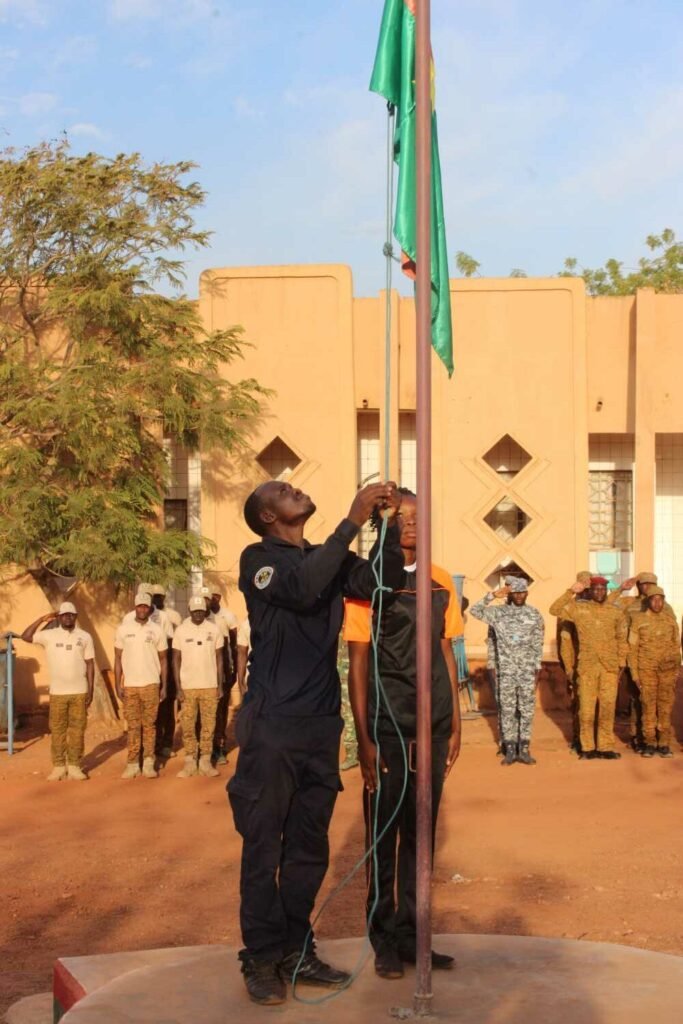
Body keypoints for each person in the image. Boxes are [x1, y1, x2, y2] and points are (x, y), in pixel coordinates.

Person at [228, 478, 404, 1006]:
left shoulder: (325, 558)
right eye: (284, 490)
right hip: (272, 725)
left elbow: (382, 581)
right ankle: (261, 956)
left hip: (319, 725)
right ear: (267, 516)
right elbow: (303, 589)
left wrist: (387, 529)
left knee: (308, 847)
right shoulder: (260, 560)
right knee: (264, 846)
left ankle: (295, 949)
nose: (297, 488)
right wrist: (351, 519)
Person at [344, 490, 462, 979]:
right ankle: (384, 938)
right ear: (387, 525)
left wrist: (455, 722)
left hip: (432, 730)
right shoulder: (369, 582)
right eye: (401, 517)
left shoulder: (440, 580)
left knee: (421, 833)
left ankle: (415, 935)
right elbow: (357, 662)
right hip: (387, 726)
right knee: (383, 836)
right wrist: (364, 740)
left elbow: (446, 650)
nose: (411, 523)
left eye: (418, 516)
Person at [550, 577, 628, 760]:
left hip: (609, 668)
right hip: (587, 667)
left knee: (607, 708)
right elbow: (554, 610)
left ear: (606, 590)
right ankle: (587, 747)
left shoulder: (616, 611)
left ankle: (605, 747)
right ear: (590, 591)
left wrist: (621, 663)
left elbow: (622, 639)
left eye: (603, 589)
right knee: (586, 710)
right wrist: (571, 591)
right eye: (596, 589)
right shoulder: (579, 609)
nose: (599, 592)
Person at [471, 577, 544, 766]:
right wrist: (492, 595)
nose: (519, 596)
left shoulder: (534, 614)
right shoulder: (498, 613)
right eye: (515, 593)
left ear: (527, 593)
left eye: (522, 592)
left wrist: (537, 669)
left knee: (526, 711)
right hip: (506, 672)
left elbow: (538, 644)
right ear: (510, 594)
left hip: (527, 671)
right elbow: (475, 610)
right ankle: (510, 750)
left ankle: (524, 749)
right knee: (507, 710)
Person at [21, 602, 95, 782]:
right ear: (59, 617)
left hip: (79, 691)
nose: (68, 617)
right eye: (64, 615)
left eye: (71, 614)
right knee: (58, 730)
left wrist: (90, 689)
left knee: (77, 729)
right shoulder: (49, 635)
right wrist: (42, 619)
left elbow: (90, 664)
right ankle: (59, 766)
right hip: (58, 693)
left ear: (75, 617)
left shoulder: (84, 636)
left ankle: (75, 766)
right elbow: (26, 636)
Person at [608, 572, 674, 751]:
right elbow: (607, 605)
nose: (647, 587)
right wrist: (620, 589)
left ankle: (656, 739)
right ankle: (637, 736)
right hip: (634, 657)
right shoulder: (629, 603)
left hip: (658, 663)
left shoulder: (665, 607)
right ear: (638, 586)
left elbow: (672, 637)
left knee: (656, 702)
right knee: (636, 699)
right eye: (643, 584)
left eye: (651, 583)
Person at [114, 590, 168, 779]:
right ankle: (132, 764)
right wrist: (117, 684)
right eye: (140, 606)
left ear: (150, 608)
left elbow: (164, 659)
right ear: (135, 607)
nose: (142, 609)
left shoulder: (157, 630)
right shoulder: (123, 629)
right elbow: (117, 658)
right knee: (133, 726)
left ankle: (148, 762)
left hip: (151, 684)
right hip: (130, 685)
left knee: (150, 725)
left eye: (146, 606)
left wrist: (164, 685)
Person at [173, 596, 224, 778]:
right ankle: (189, 761)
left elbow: (220, 659)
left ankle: (205, 761)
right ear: (189, 610)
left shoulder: (214, 630)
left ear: (205, 611)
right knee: (187, 725)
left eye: (201, 610)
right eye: (195, 611)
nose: (198, 614)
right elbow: (176, 659)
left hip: (209, 685)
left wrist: (219, 685)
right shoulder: (181, 631)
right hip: (188, 687)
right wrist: (178, 687)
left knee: (208, 726)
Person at [627, 587, 681, 758]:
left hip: (667, 672)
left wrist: (676, 670)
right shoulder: (638, 620)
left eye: (660, 599)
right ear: (648, 601)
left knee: (665, 707)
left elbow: (676, 647)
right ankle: (649, 743)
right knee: (648, 706)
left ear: (664, 601)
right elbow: (632, 650)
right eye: (653, 599)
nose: (657, 603)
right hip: (646, 671)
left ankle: (664, 744)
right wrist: (635, 675)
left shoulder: (670, 621)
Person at [557, 570, 592, 753]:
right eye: (582, 585)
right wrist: (568, 668)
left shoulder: (598, 606)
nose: (585, 588)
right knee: (578, 704)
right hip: (575, 664)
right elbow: (564, 641)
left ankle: (593, 741)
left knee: (595, 705)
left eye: (588, 585)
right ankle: (578, 739)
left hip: (595, 664)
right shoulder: (568, 608)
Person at [207, 587, 239, 765]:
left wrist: (233, 671)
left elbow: (233, 646)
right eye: (209, 597)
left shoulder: (226, 617)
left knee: (220, 711)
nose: (212, 599)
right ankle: (205, 747)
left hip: (223, 669)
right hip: (204, 672)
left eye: (215, 596)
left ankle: (219, 747)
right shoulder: (198, 618)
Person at [235, 616, 251, 699]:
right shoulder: (246, 624)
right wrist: (240, 682)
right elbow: (241, 653)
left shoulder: (281, 620)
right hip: (254, 676)